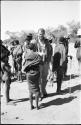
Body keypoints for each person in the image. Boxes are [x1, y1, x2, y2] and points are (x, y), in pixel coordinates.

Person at [31, 28, 53, 98]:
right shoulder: (34, 42)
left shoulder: (47, 42)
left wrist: (50, 62)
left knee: (45, 77)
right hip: (37, 63)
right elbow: (29, 52)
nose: (41, 35)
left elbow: (50, 52)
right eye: (40, 34)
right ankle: (40, 92)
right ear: (37, 34)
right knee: (38, 79)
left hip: (45, 62)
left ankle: (43, 90)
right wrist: (38, 53)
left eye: (43, 34)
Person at [23, 43, 42, 110]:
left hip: (28, 73)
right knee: (36, 89)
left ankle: (31, 106)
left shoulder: (26, 54)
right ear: (34, 47)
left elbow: (25, 63)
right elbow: (41, 62)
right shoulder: (37, 55)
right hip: (36, 73)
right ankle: (37, 106)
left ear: (28, 48)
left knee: (30, 90)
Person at [0, 40, 15, 105]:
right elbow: (3, 55)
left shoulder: (2, 46)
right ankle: (7, 101)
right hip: (4, 64)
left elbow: (8, 53)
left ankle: (8, 98)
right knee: (7, 82)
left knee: (6, 82)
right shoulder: (1, 47)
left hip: (3, 64)